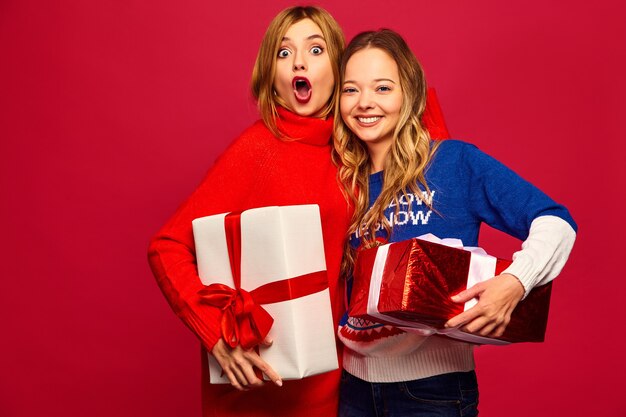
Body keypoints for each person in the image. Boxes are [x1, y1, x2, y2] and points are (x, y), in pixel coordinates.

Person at [333, 29, 577, 417]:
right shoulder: (338, 180)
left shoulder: (453, 162)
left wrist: (516, 281)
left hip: (432, 393)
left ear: (409, 93)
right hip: (351, 390)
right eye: (350, 90)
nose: (365, 103)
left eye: (382, 88)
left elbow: (557, 222)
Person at [148, 6, 349, 417]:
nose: (298, 61)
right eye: (283, 52)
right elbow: (166, 247)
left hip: (338, 387)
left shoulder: (352, 155)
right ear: (271, 76)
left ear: (338, 67)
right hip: (262, 392)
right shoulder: (256, 150)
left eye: (315, 49)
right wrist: (217, 337)